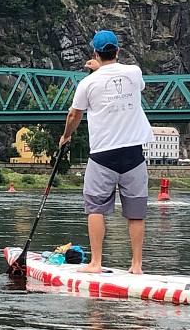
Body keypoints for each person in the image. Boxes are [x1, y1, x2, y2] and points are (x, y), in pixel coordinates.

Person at [58, 30, 154, 275]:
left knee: (96, 208)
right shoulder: (134, 72)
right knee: (136, 212)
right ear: (118, 51)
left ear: (95, 53)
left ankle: (96, 263)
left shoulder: (87, 83)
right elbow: (121, 81)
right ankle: (136, 266)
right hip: (134, 154)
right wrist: (101, 69)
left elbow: (74, 114)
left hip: (103, 156)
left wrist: (66, 135)